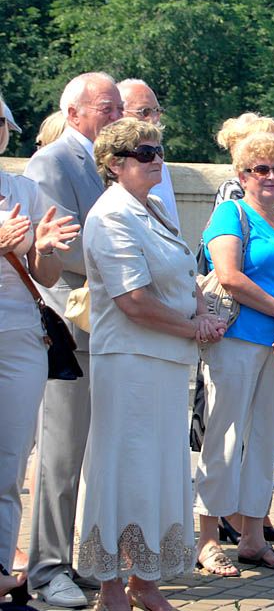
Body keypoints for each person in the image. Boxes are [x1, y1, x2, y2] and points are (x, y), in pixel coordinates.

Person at [77, 118, 227, 611]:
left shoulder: (156, 206)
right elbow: (133, 300)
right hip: (128, 363)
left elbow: (183, 275)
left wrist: (201, 308)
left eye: (159, 150)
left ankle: (146, 581)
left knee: (160, 471)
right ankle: (111, 587)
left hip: (164, 362)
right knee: (125, 470)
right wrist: (196, 328)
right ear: (115, 164)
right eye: (144, 153)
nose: (156, 159)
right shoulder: (110, 215)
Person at [190, 113, 274, 546]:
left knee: (264, 442)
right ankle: (209, 540)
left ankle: (253, 537)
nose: (271, 177)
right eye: (261, 169)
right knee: (224, 438)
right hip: (236, 340)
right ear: (243, 175)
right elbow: (229, 275)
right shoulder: (231, 213)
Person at [23, 72, 123, 609]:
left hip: (112, 328)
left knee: (92, 458)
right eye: (107, 107)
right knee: (59, 459)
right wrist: (131, 272)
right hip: (71, 328)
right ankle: (46, 570)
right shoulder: (54, 162)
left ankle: (79, 561)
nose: (117, 115)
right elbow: (61, 249)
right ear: (75, 112)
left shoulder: (112, 165)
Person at [1, 93, 79, 600]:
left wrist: (45, 249)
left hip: (20, 339)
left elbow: (44, 275)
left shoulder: (22, 190)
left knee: (8, 464)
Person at [117, 79, 178, 226]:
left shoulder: (160, 164)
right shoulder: (113, 163)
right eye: (145, 112)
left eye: (157, 111)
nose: (154, 119)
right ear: (118, 113)